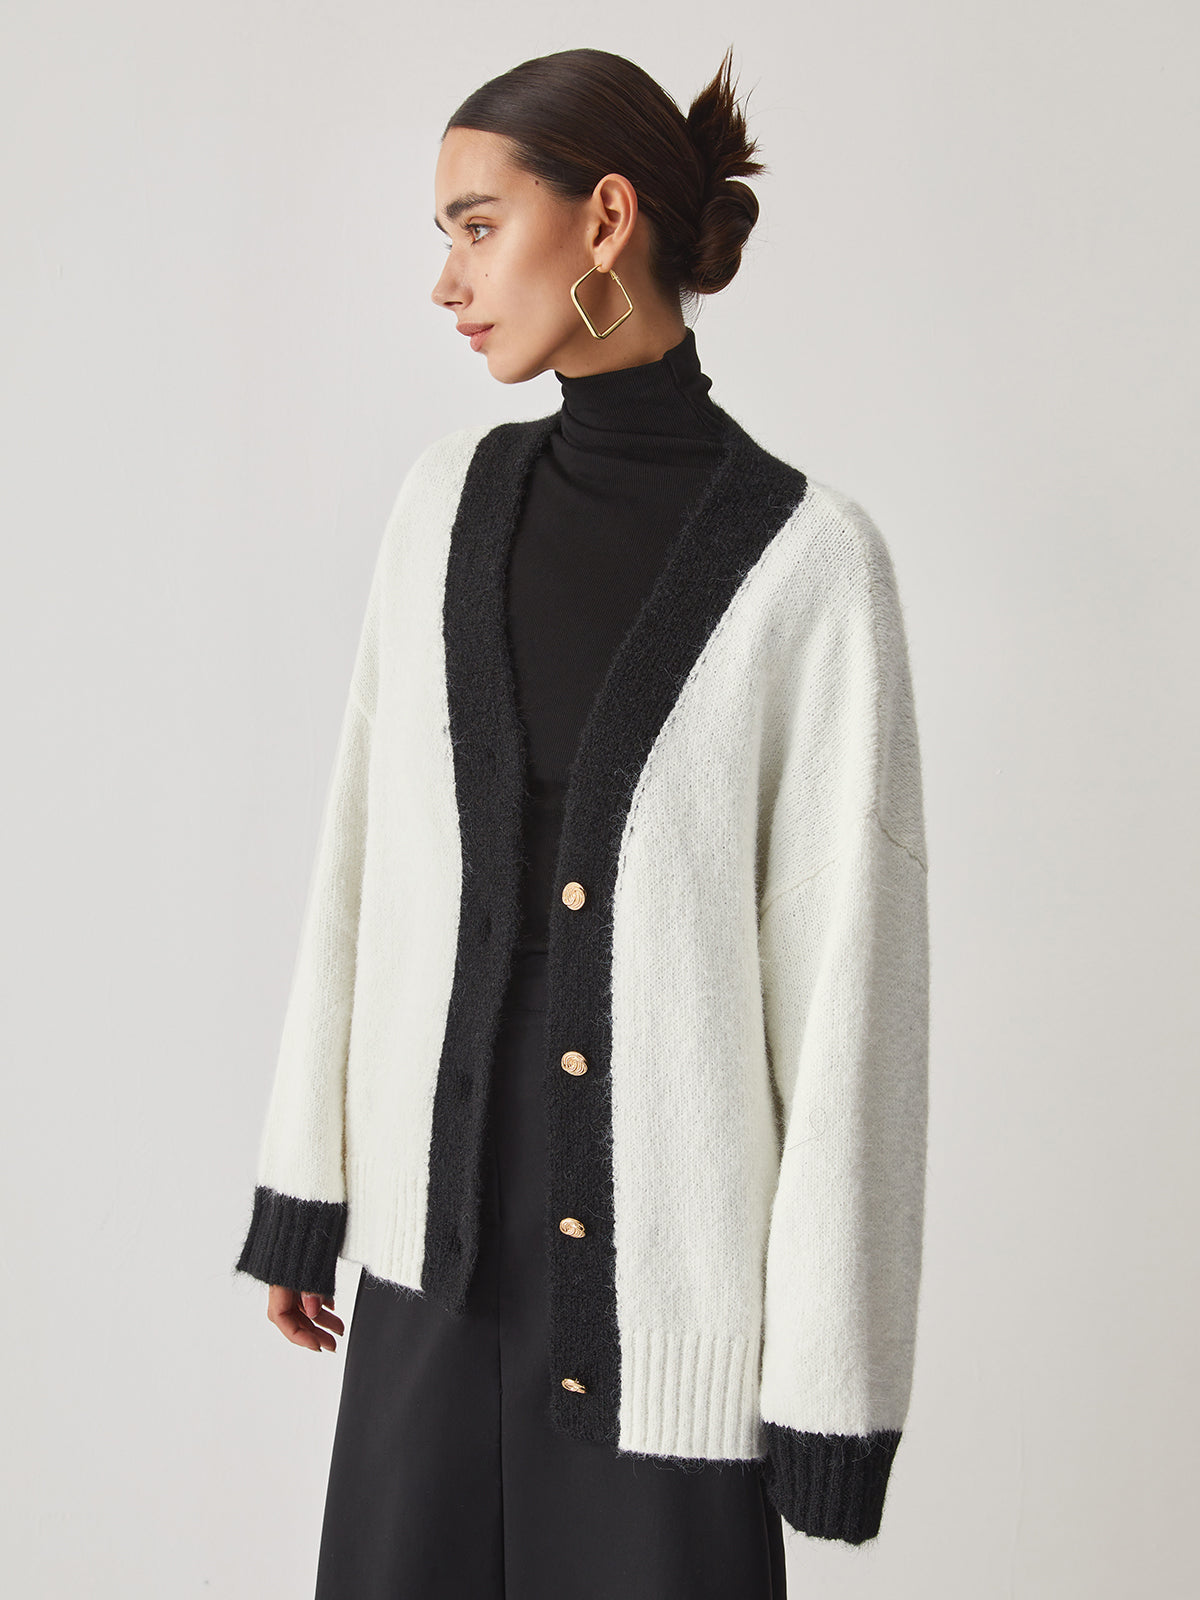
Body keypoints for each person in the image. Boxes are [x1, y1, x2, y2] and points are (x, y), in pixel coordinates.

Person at [234, 45, 930, 1599]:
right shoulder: (445, 505)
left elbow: (854, 1012)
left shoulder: (810, 567)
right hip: (429, 1288)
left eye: (477, 227)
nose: (447, 281)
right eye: (446, 237)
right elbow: (359, 856)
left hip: (665, 1338)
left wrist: (836, 1389)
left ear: (605, 218)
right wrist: (304, 1185)